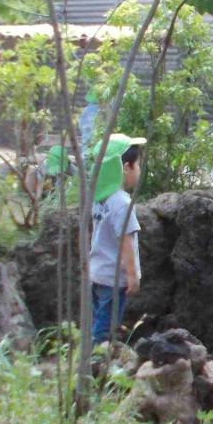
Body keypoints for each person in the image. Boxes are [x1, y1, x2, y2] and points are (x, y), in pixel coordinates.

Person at [87, 133, 146, 346]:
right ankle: (95, 361)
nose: (139, 170)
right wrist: (132, 275)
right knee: (105, 328)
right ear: (126, 167)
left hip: (97, 273)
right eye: (137, 165)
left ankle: (93, 352)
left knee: (98, 319)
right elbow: (126, 242)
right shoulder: (122, 203)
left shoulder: (100, 200)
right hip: (113, 279)